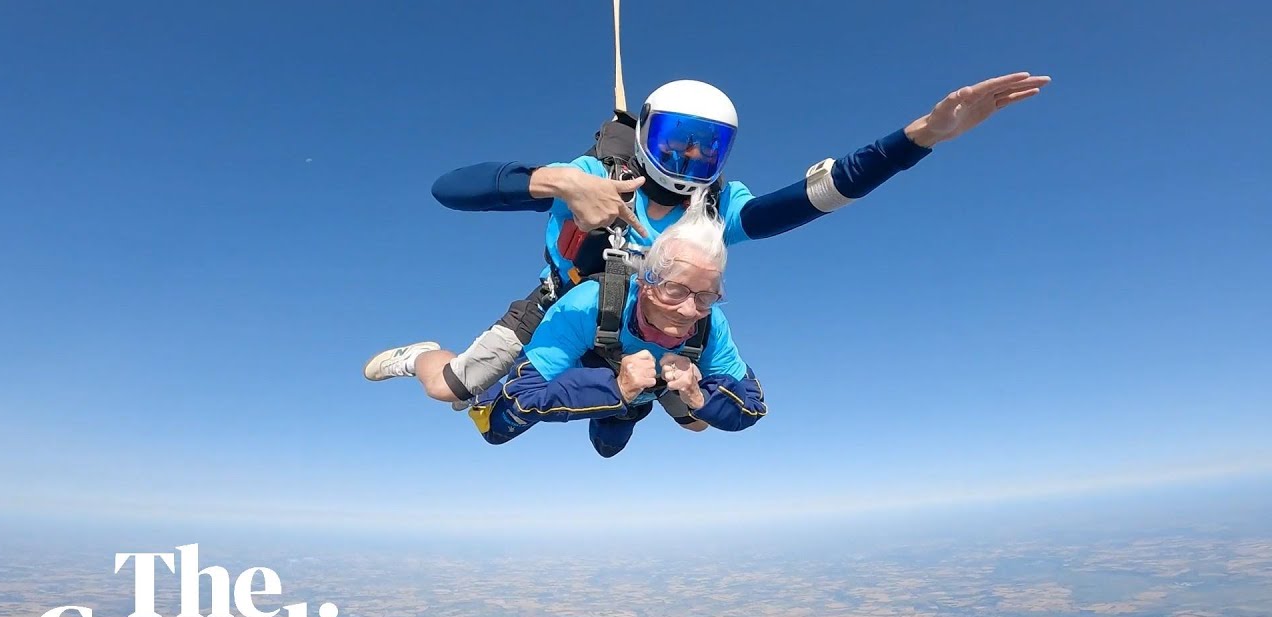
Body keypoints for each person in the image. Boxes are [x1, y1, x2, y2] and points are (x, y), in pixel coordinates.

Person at [364, 71, 1050, 413]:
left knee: (694, 412)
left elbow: (821, 194)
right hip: (558, 307)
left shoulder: (719, 209)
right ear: (646, 136)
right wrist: (558, 183)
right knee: (456, 391)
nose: (691, 159)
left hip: (660, 328)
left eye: (708, 148)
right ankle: (422, 354)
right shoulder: (593, 176)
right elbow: (449, 190)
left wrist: (920, 138)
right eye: (676, 143)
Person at [387, 192, 767, 457]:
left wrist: (698, 395)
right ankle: (427, 359)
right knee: (495, 430)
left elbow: (752, 405)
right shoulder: (592, 303)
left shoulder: (710, 324)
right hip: (594, 366)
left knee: (618, 444)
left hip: (646, 387)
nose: (689, 310)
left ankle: (629, 406)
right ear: (645, 283)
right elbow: (525, 393)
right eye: (674, 290)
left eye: (705, 296)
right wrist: (616, 386)